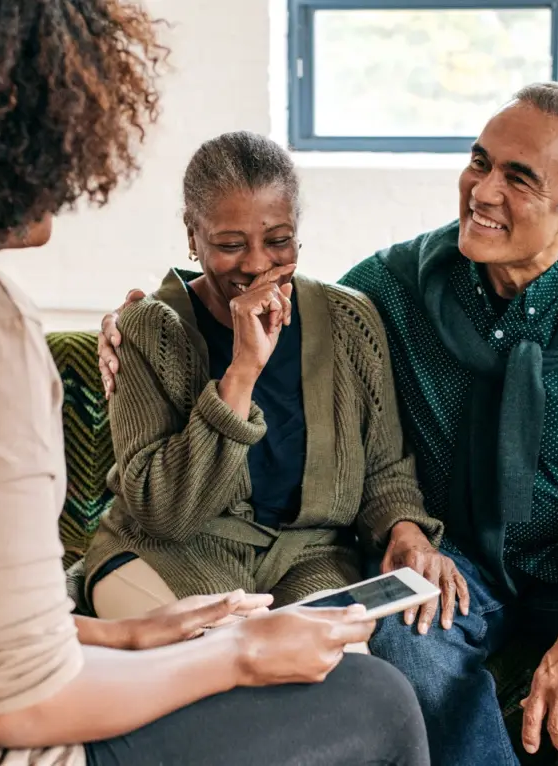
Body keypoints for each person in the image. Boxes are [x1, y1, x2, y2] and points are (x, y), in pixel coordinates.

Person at [0, 2, 430, 765]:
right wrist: (240, 653)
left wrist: (122, 635)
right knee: (378, 701)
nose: (68, 159)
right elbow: (19, 702)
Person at [98, 83, 558, 765]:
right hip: (454, 557)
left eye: (519, 177)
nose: (483, 189)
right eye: (480, 161)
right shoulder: (401, 283)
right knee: (406, 638)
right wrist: (147, 317)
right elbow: (279, 303)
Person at [81, 131, 463, 633]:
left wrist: (407, 531)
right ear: (192, 234)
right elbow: (164, 514)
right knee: (199, 666)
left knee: (334, 670)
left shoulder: (350, 321)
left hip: (307, 558)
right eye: (229, 244)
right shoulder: (148, 329)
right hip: (168, 555)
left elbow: (385, 471)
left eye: (278, 240)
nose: (257, 263)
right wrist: (242, 370)